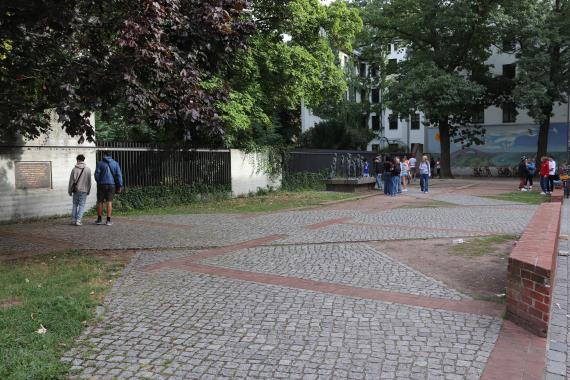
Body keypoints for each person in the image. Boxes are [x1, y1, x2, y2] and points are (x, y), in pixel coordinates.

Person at [94, 151, 123, 225]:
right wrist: (120, 185)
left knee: (100, 201)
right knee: (109, 201)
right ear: (110, 155)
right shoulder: (115, 163)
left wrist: (99, 181)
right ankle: (108, 220)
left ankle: (99, 220)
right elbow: (119, 175)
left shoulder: (100, 163)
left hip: (101, 184)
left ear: (104, 155)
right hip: (111, 185)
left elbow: (96, 174)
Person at [67, 154, 92, 226]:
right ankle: (78, 220)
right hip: (84, 190)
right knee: (82, 205)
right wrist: (88, 190)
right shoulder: (88, 169)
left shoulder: (74, 169)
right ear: (83, 160)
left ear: (77, 160)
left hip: (76, 190)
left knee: (75, 204)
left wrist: (70, 191)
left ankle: (73, 220)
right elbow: (89, 181)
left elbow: (71, 181)